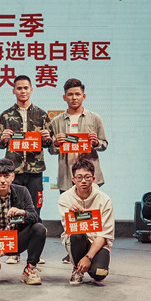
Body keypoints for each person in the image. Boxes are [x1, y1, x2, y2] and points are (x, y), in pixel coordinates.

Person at [48, 78, 108, 263]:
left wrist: (96, 142)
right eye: (70, 94)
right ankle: (73, 250)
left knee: (92, 213)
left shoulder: (94, 118)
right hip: (67, 175)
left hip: (89, 175)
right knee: (70, 215)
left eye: (77, 94)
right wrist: (55, 143)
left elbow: (104, 144)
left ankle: (93, 248)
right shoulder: (56, 121)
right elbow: (51, 149)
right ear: (64, 97)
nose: (74, 97)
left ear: (84, 96)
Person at [0, 75, 52, 265]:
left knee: (35, 210)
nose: (22, 91)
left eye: (26, 88)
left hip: (35, 171)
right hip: (14, 172)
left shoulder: (42, 114)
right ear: (14, 90)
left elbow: (50, 143)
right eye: (19, 88)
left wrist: (47, 138)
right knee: (13, 211)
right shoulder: (6, 115)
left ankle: (35, 251)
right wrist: (3, 138)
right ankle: (14, 252)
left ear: (31, 89)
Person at [0, 159, 46, 285]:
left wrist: (23, 213)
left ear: (12, 176)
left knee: (39, 229)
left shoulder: (23, 192)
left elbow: (35, 217)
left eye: (6, 176)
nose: (2, 180)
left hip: (16, 240)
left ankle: (30, 268)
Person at [58, 160, 114, 285]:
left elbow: (104, 234)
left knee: (99, 274)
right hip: (77, 239)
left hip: (97, 241)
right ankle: (77, 270)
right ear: (73, 179)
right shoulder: (65, 198)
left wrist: (88, 257)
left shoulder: (105, 200)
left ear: (93, 179)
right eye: (79, 177)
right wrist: (72, 215)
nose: (83, 181)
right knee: (77, 235)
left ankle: (88, 263)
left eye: (87, 177)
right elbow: (69, 230)